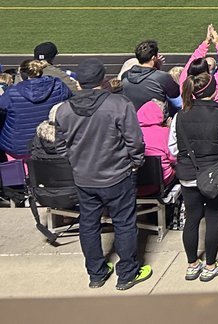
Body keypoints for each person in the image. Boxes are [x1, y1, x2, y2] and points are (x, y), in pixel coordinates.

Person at [56, 59, 152, 290]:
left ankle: (96, 274)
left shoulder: (64, 109)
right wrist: (134, 163)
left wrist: (78, 162)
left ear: (79, 83)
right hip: (117, 176)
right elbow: (135, 141)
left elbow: (60, 147)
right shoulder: (118, 104)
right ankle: (127, 273)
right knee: (124, 223)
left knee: (89, 225)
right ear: (104, 80)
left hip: (85, 178)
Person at [170, 72, 218, 283]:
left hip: (188, 175)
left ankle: (193, 264)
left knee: (192, 219)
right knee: (213, 218)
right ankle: (210, 265)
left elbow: (172, 148)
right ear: (213, 91)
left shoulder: (179, 116)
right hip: (215, 176)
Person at [0, 59, 70, 161]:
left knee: (17, 173)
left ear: (23, 75)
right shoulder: (58, 86)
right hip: (49, 142)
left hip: (19, 146)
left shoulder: (12, 92)